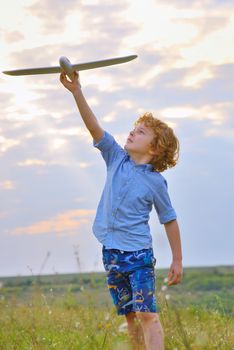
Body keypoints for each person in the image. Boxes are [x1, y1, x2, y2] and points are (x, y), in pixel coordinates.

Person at [60, 71, 183, 350]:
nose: (132, 132)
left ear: (155, 148)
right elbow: (94, 128)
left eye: (141, 132)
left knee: (147, 314)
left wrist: (177, 259)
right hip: (112, 252)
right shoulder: (116, 158)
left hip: (138, 254)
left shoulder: (155, 182)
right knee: (129, 316)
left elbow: (169, 219)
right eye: (133, 128)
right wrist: (77, 91)